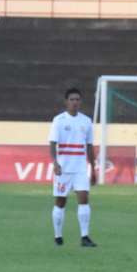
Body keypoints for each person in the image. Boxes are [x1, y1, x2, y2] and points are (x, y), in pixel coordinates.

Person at [49, 86, 97, 247]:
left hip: (80, 168)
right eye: (71, 100)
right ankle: (58, 236)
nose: (74, 102)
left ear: (80, 101)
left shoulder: (86, 121)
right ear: (66, 102)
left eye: (77, 100)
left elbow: (89, 146)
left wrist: (93, 169)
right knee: (60, 202)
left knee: (84, 199)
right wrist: (55, 162)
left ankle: (85, 237)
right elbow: (52, 144)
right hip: (63, 169)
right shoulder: (59, 120)